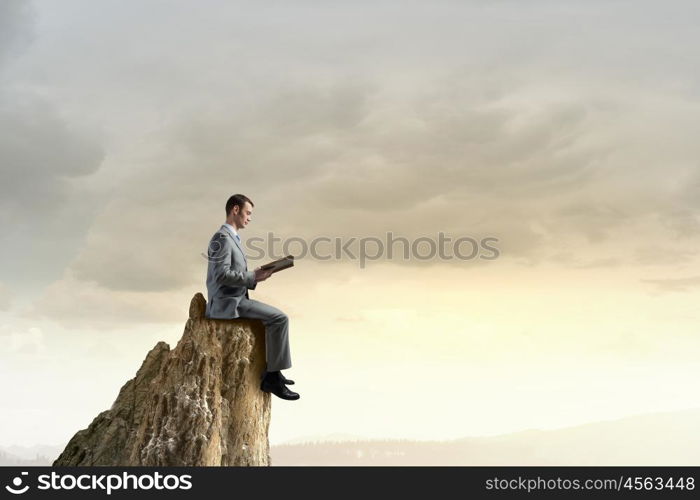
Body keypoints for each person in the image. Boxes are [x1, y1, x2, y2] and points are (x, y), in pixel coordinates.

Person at [205, 194, 299, 401]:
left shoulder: (232, 238)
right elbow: (220, 275)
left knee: (278, 317)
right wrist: (252, 276)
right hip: (227, 303)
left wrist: (256, 276)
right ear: (235, 210)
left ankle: (275, 373)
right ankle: (272, 378)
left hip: (237, 299)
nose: (250, 217)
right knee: (280, 318)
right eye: (248, 213)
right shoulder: (222, 238)